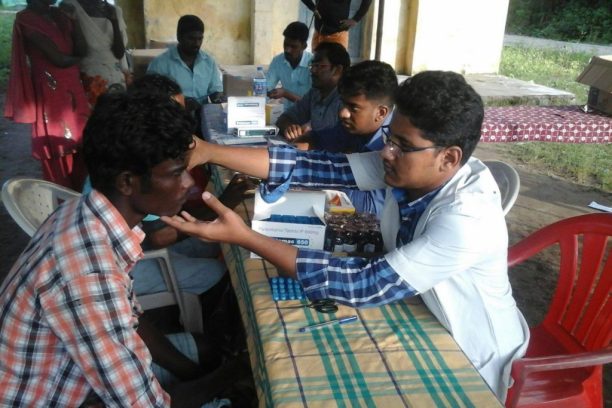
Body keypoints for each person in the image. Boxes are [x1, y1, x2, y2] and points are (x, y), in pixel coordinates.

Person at [163, 71, 530, 401]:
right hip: (424, 310)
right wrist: (209, 151)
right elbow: (313, 165)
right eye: (390, 138)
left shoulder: (466, 218)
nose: (386, 151)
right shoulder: (412, 166)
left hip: (471, 353)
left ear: (449, 159)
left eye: (402, 145)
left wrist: (244, 236)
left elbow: (363, 285)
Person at [0, 92, 250, 407]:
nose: (189, 183)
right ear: (128, 182)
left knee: (205, 354)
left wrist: (202, 375)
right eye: (176, 173)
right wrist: (229, 377)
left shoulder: (89, 214)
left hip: (72, 378)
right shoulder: (88, 273)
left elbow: (131, 319)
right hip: (47, 398)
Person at [288, 60, 397, 215]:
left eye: (353, 107)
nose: (343, 113)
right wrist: (288, 154)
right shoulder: (353, 127)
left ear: (381, 113)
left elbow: (369, 208)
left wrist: (317, 181)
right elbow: (316, 139)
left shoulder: (392, 147)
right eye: (343, 104)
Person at [4, 0, 89, 191]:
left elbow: (82, 49)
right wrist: (79, 60)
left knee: (83, 144)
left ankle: (82, 196)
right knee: (58, 148)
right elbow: (59, 59)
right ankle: (63, 202)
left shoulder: (60, 15)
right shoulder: (26, 19)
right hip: (51, 91)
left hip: (74, 88)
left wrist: (75, 22)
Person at [147, 14, 224, 115]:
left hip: (201, 120)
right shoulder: (160, 64)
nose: (196, 44)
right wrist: (180, 102)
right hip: (171, 120)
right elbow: (149, 97)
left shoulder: (209, 62)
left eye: (200, 39)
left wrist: (218, 98)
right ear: (179, 37)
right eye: (191, 39)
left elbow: (216, 90)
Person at [275, 41, 350, 141]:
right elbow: (284, 118)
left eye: (319, 66)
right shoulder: (315, 93)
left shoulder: (347, 98)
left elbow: (342, 140)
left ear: (337, 70)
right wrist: (290, 128)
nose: (312, 70)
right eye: (312, 65)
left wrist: (311, 137)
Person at [63, 0, 130, 105]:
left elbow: (119, 53)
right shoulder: (72, 8)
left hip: (116, 77)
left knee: (118, 116)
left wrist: (114, 21)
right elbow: (78, 50)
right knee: (96, 116)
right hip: (91, 78)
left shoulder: (114, 11)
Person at [266, 21, 313, 109]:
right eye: (286, 45)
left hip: (309, 115)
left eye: (293, 47)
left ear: (304, 46)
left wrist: (285, 93)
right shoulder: (278, 61)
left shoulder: (313, 64)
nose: (287, 50)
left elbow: (312, 105)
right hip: (288, 113)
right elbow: (266, 87)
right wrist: (267, 93)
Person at [301, 0, 373, 49]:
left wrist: (356, 19)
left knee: (336, 66)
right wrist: (312, 7)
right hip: (318, 30)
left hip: (337, 33)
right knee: (317, 65)